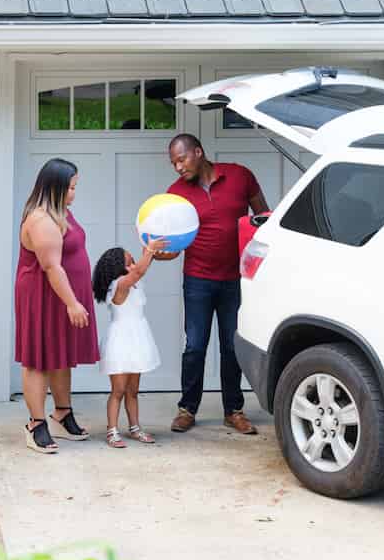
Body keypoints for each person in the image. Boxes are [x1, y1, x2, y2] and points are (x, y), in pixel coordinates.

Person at [166, 133, 269, 436]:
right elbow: (172, 246)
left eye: (181, 159)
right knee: (195, 346)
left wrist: (257, 260)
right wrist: (160, 253)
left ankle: (233, 411)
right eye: (173, 162)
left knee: (231, 347)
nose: (177, 167)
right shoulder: (176, 193)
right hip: (197, 279)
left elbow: (262, 217)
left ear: (198, 152)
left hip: (234, 280)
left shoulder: (240, 176)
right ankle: (187, 409)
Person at [14, 158, 99, 454]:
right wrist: (73, 303)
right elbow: (51, 267)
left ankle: (62, 414)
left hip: (62, 293)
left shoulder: (62, 212)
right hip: (42, 294)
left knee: (61, 354)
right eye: (71, 187)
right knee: (38, 358)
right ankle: (36, 424)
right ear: (55, 187)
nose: (75, 192)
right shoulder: (41, 220)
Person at [91, 240, 167, 448]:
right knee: (118, 390)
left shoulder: (134, 282)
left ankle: (135, 428)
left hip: (138, 340)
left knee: (133, 391)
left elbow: (142, 268)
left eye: (134, 260)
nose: (134, 264)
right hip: (121, 341)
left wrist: (148, 251)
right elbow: (140, 270)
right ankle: (112, 431)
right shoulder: (119, 285)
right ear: (119, 269)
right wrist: (149, 251)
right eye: (129, 261)